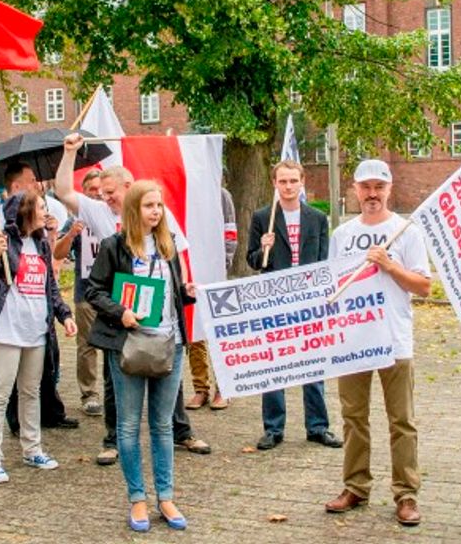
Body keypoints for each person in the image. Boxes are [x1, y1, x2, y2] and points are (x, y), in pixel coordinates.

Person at [55, 134, 211, 465]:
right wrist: (69, 153)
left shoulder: (156, 212)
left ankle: (181, 431)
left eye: (111, 192)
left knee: (167, 369)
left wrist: (183, 290)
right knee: (116, 375)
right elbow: (63, 192)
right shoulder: (99, 212)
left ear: (129, 187)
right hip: (120, 312)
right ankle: (113, 439)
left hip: (159, 312)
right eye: (103, 193)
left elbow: (176, 253)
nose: (105, 197)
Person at [325, 159, 431, 526]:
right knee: (353, 417)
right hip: (353, 341)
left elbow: (424, 286)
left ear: (389, 189)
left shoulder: (405, 231)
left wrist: (388, 265)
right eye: (365, 187)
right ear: (354, 189)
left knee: (402, 420)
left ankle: (406, 494)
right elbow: (331, 285)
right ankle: (356, 486)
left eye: (378, 187)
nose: (372, 194)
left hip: (394, 338)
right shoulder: (342, 234)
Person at [85, 180, 196, 532]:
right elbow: (93, 290)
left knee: (163, 426)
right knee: (129, 425)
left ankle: (165, 496)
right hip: (129, 345)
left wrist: (186, 293)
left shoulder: (168, 245)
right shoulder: (114, 246)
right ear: (134, 209)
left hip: (170, 344)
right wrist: (121, 312)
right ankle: (137, 499)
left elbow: (169, 293)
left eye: (159, 206)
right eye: (149, 205)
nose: (156, 212)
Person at [0, 193, 77, 483]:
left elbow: (51, 287)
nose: (46, 213)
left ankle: (32, 449)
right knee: (0, 393)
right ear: (26, 211)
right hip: (7, 331)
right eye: (42, 208)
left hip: (36, 332)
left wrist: (65, 315)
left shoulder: (42, 243)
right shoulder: (2, 240)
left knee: (31, 392)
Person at [246, 160, 341, 450]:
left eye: (292, 181)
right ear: (275, 183)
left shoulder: (317, 218)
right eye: (282, 181)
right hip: (275, 300)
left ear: (302, 182)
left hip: (308, 301)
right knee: (275, 363)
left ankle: (317, 426)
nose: (288, 187)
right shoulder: (264, 217)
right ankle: (273, 428)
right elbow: (252, 261)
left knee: (312, 364)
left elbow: (325, 262)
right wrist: (264, 248)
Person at [52, 169, 102, 415]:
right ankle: (89, 393)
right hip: (87, 291)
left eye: (100, 188)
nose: (97, 193)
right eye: (92, 189)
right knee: (87, 343)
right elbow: (58, 254)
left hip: (117, 290)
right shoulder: (76, 219)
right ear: (84, 192)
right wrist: (71, 235)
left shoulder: (118, 216)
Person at [185, 186, 236, 411]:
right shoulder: (185, 190)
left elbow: (230, 233)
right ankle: (200, 388)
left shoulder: (222, 195)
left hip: (215, 272)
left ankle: (223, 388)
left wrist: (223, 261)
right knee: (194, 332)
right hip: (191, 271)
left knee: (218, 332)